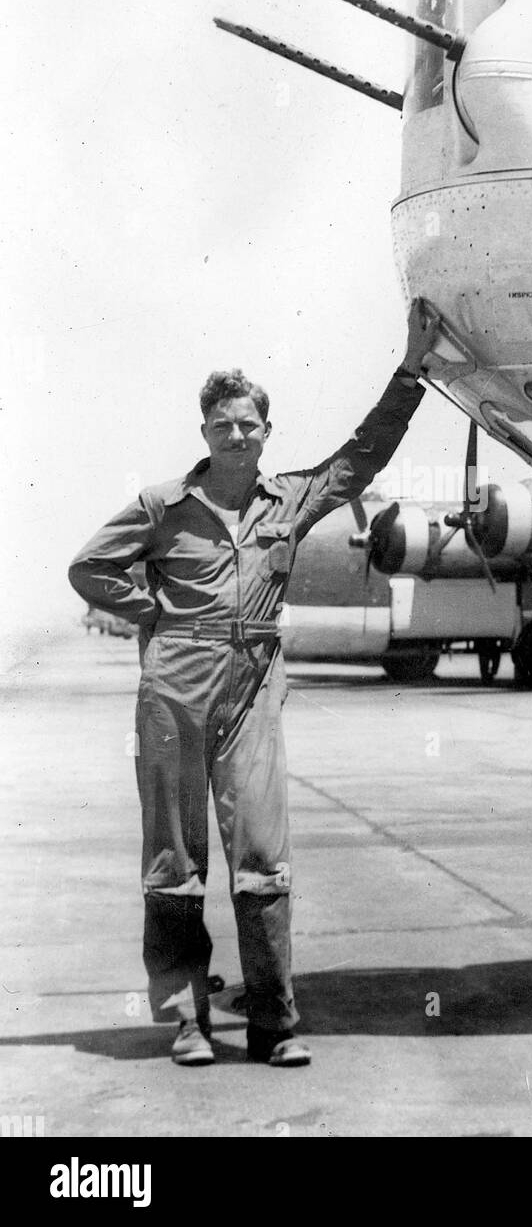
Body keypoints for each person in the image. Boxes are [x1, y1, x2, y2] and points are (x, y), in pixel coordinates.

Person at [68, 301, 439, 1067]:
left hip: (255, 684)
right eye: (222, 424)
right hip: (176, 681)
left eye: (249, 424)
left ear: (267, 432)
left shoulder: (293, 500)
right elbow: (89, 566)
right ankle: (186, 1022)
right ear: (204, 432)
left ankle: (272, 1024)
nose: (236, 434)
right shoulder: (162, 508)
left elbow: (363, 455)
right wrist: (156, 614)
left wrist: (412, 372)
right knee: (174, 856)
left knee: (264, 852)